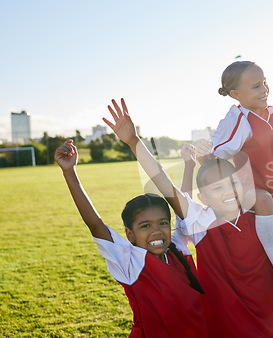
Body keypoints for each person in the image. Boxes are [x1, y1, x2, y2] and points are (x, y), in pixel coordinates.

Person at [103, 99, 273, 338]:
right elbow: (162, 181)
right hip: (224, 329)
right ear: (202, 197)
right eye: (217, 189)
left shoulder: (264, 217)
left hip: (272, 328)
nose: (228, 192)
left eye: (232, 184)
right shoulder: (199, 223)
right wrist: (134, 141)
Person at [196, 61, 273, 337]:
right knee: (264, 199)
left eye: (265, 82)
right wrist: (202, 153)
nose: (264, 89)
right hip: (248, 197)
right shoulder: (236, 119)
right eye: (255, 86)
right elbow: (216, 153)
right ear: (235, 94)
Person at [54, 140, 207, 338]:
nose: (156, 231)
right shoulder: (131, 261)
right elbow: (95, 224)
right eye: (145, 226)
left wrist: (189, 165)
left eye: (162, 223)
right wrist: (69, 172)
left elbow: (183, 206)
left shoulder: (177, 248)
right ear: (130, 234)